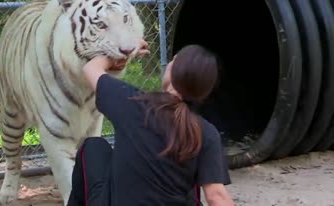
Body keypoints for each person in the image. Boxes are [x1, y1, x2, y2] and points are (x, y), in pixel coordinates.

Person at [67, 41, 235, 206]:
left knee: (93, 146)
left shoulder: (132, 102)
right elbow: (216, 197)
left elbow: (91, 68)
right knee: (194, 178)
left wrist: (126, 49)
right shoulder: (205, 132)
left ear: (173, 71)